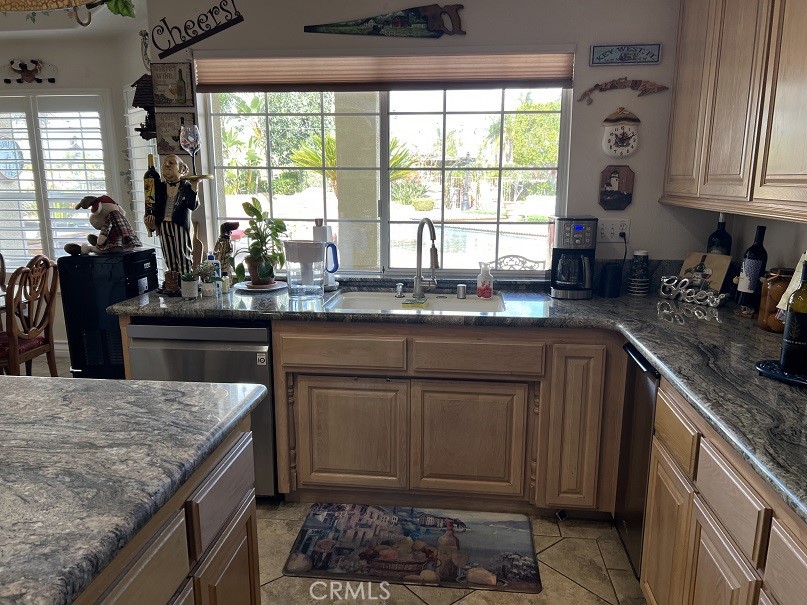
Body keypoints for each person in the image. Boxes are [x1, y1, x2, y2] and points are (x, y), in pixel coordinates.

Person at [144, 154, 199, 287]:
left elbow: (193, 205)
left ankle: (187, 284)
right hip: (163, 225)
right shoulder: (159, 187)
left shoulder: (186, 186)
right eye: (164, 163)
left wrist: (194, 187)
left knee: (183, 254)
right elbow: (150, 203)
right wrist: (150, 222)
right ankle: (173, 283)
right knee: (168, 255)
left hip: (179, 224)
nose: (167, 165)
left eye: (171, 163)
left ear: (181, 169)